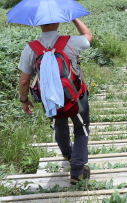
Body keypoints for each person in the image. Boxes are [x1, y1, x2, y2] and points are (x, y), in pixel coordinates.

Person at [18, 18, 93, 186]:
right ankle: (77, 171)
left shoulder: (30, 49)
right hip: (76, 97)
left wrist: (24, 100)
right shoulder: (71, 41)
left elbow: (24, 81)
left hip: (50, 99)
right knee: (81, 130)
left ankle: (69, 155)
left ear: (38, 24)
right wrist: (73, 18)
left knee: (59, 127)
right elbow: (88, 35)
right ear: (58, 22)